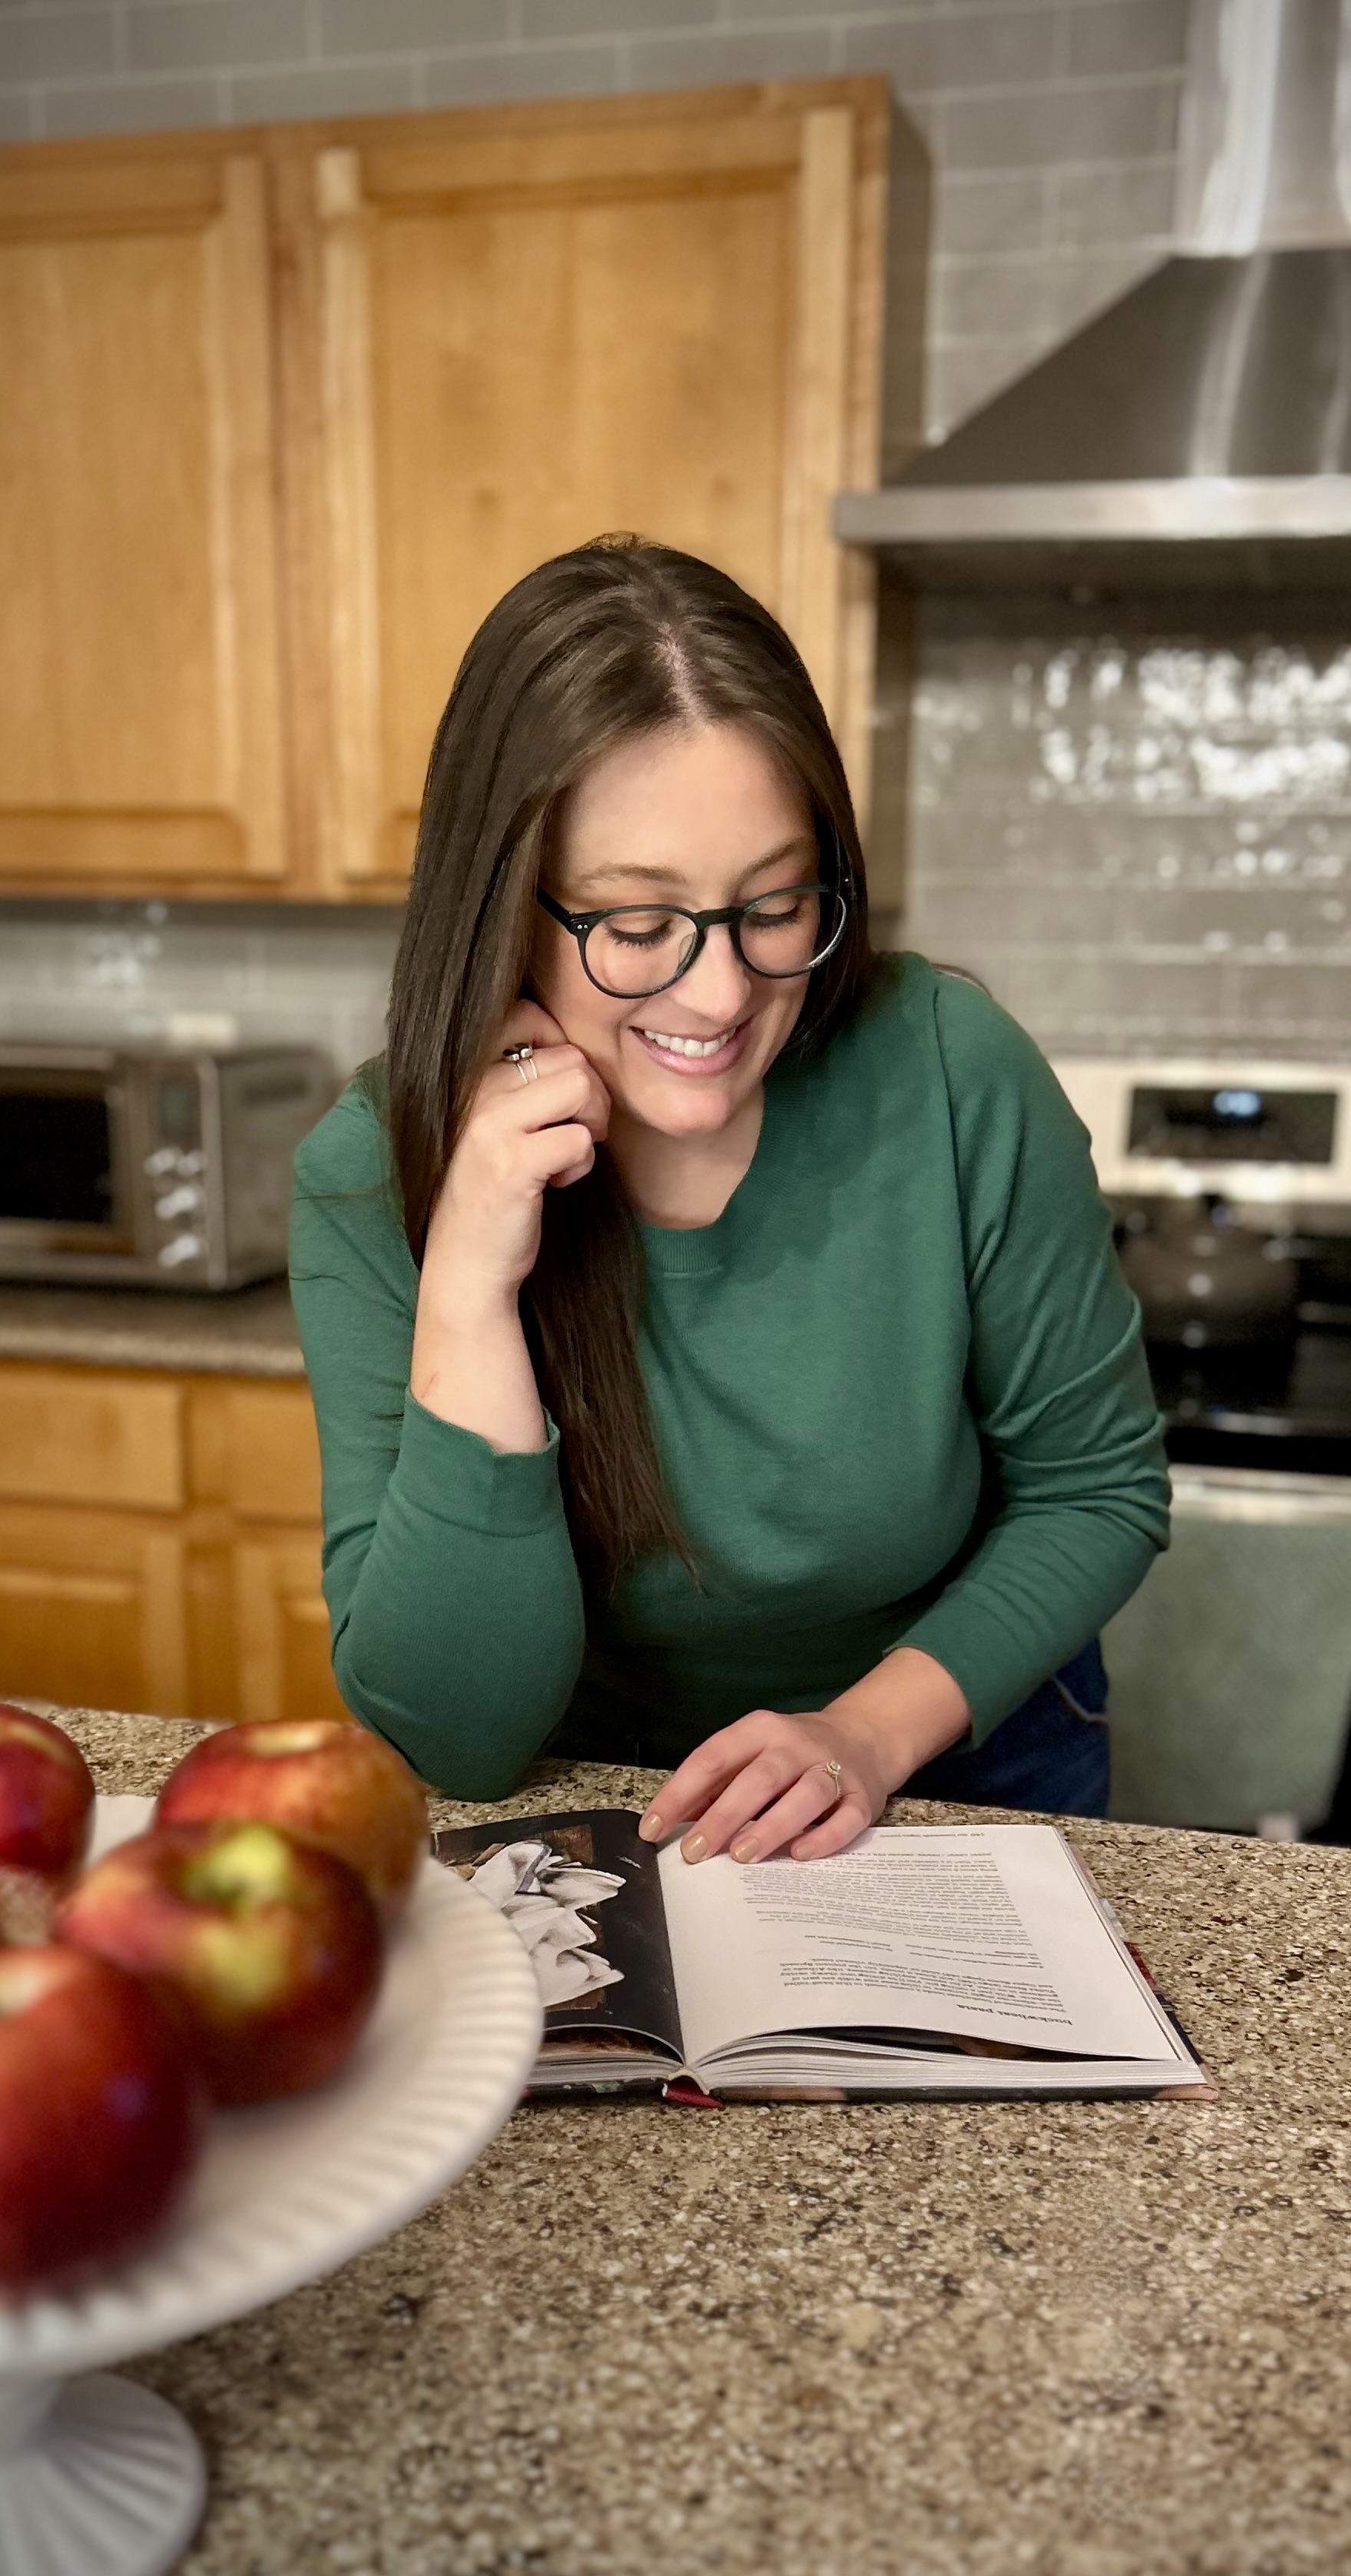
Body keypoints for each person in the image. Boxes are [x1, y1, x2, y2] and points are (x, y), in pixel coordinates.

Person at [290, 538, 1168, 1866]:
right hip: (587, 1802)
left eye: (774, 904)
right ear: (502, 912)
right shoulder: (372, 1173)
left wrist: (865, 1734)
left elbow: (1098, 1489)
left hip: (946, 1765)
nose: (719, 995)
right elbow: (455, 1737)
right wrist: (469, 1285)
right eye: (637, 926)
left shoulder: (948, 1069)